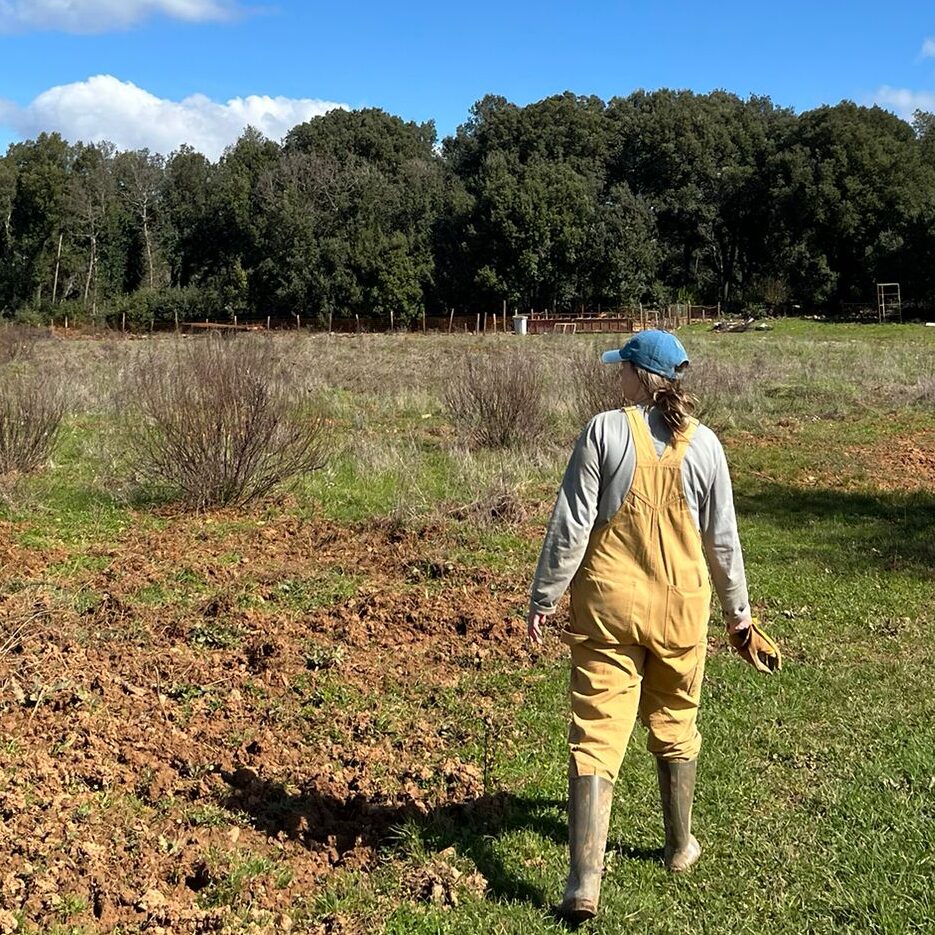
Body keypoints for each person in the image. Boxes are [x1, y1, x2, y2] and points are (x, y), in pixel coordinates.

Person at [527, 329, 754, 923]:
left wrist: (545, 595)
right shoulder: (705, 447)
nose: (616, 379)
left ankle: (584, 881)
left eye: (622, 369)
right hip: (681, 612)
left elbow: (572, 525)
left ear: (638, 376)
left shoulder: (604, 431)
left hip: (608, 608)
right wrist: (740, 617)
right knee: (676, 723)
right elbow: (723, 543)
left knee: (597, 733)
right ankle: (679, 846)